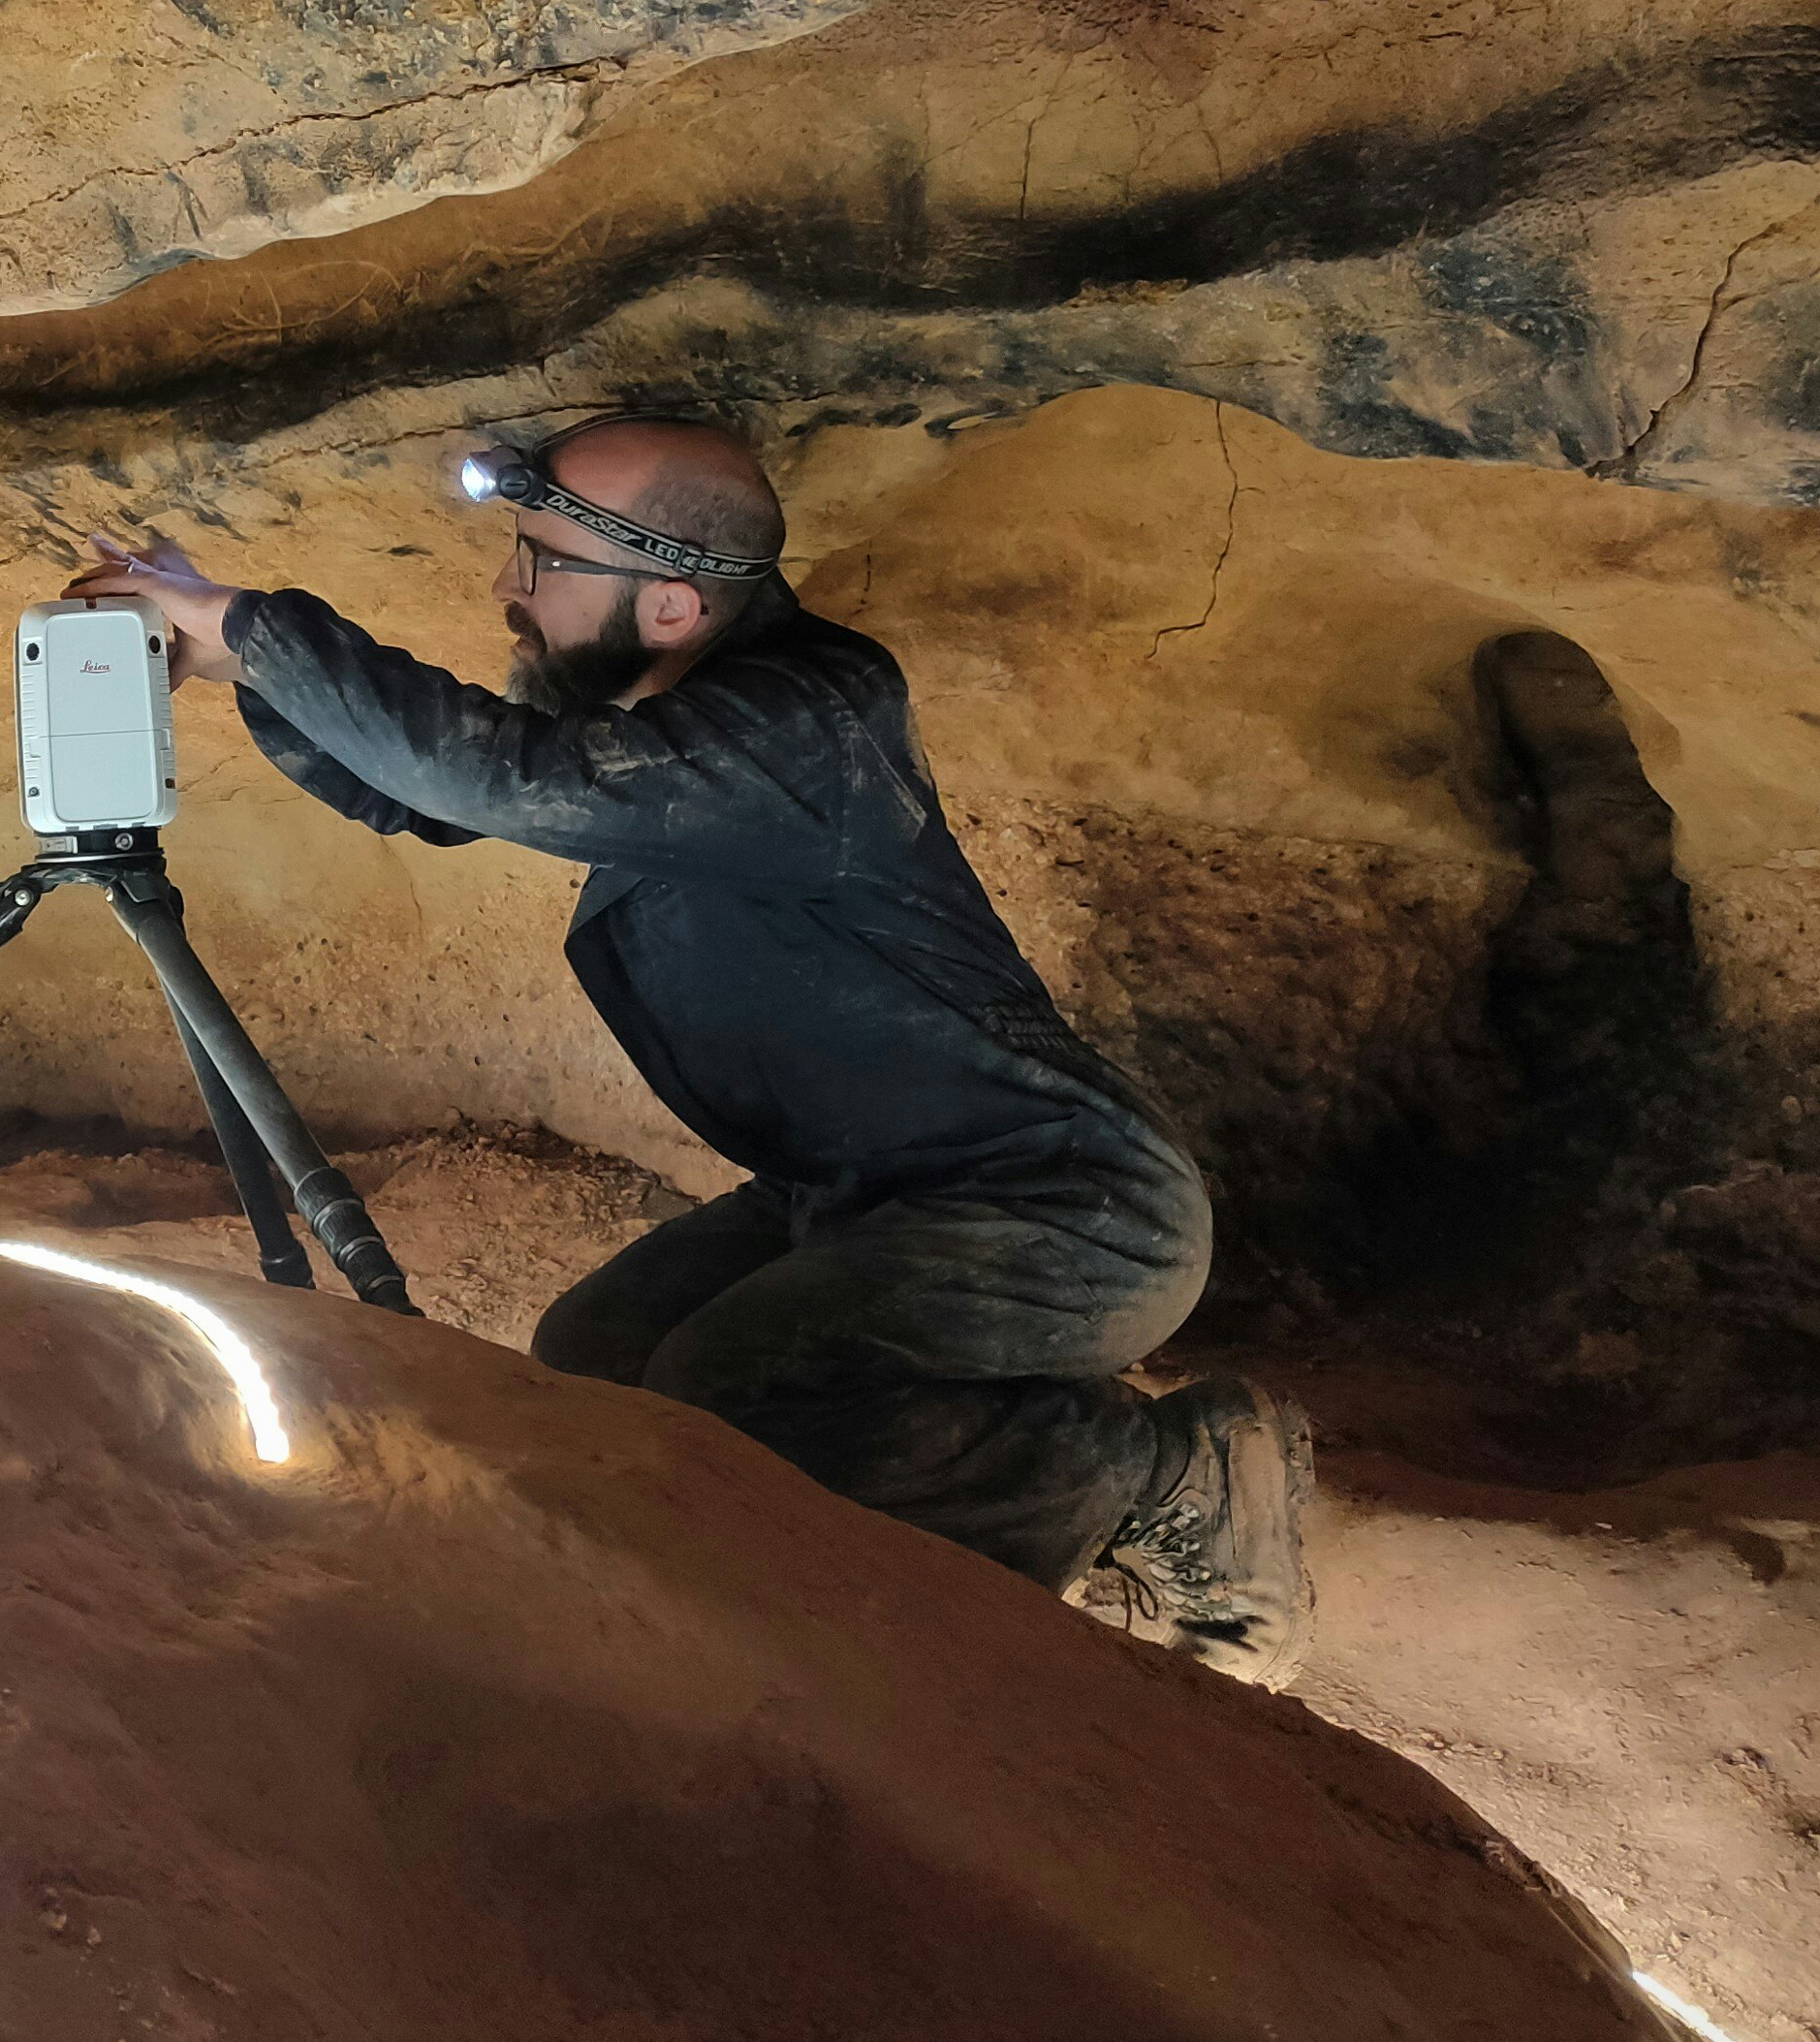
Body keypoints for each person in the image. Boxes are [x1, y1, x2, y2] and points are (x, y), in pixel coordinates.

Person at [71, 413, 1312, 1682]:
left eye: (539, 561)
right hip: (859, 1197)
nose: (508, 587)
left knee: (741, 1381)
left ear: (669, 605)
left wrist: (257, 626)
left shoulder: (808, 718)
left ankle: (1166, 1478)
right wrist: (242, 673)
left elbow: (496, 774)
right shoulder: (677, 731)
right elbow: (419, 792)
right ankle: (1016, 1497)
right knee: (600, 1364)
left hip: (1064, 1201)